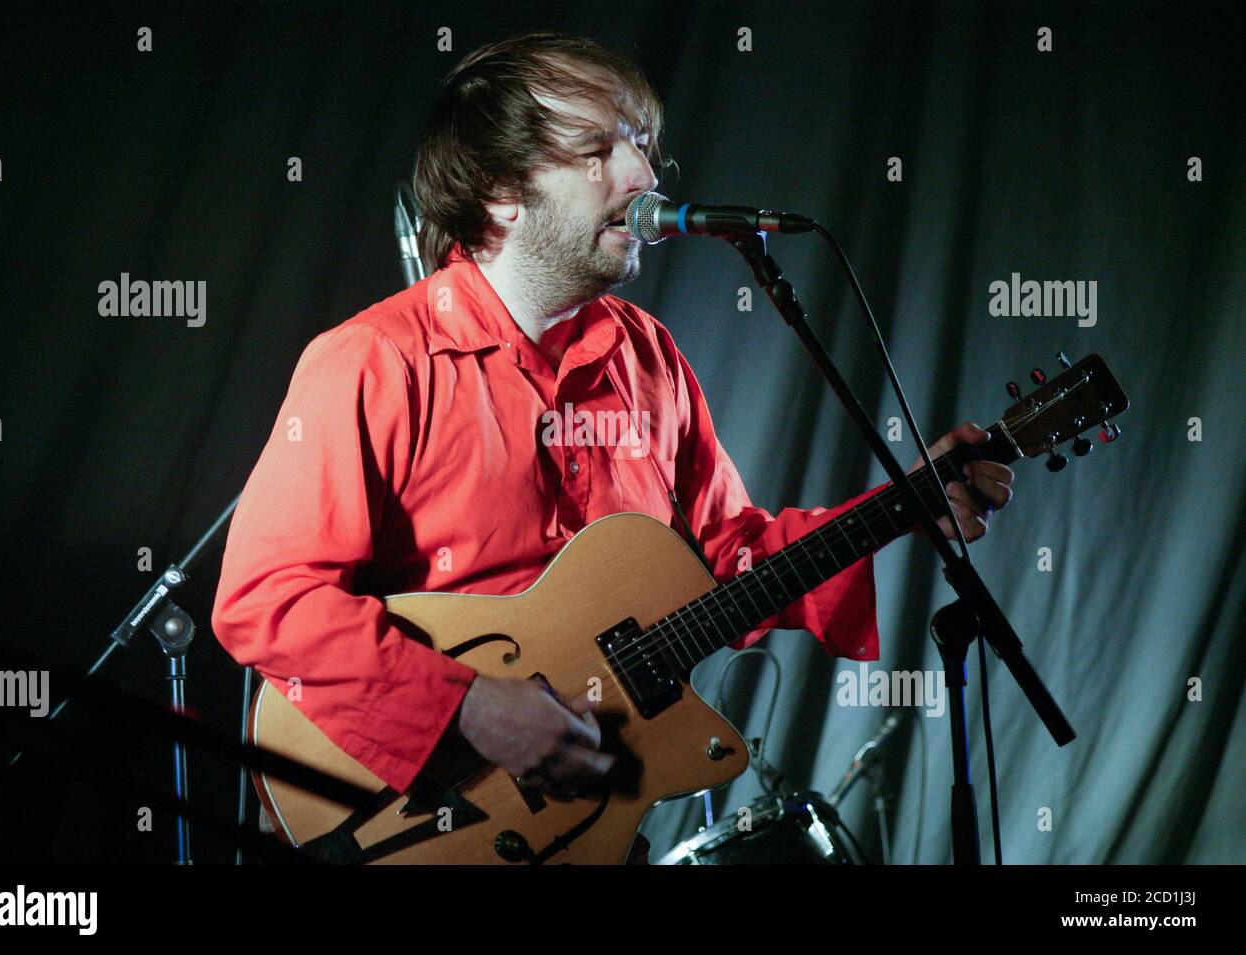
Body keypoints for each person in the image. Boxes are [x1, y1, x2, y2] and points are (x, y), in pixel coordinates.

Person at [211, 31, 1013, 856]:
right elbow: (267, 600)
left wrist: (898, 507)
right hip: (409, 829)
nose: (644, 179)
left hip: (590, 830)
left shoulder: (647, 356)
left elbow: (728, 560)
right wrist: (469, 706)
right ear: (498, 190)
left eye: (643, 150)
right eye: (599, 152)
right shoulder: (378, 361)